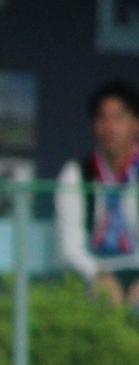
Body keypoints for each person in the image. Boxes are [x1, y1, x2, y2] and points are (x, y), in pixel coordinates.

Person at [58, 82, 139, 307]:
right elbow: (70, 245)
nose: (110, 126)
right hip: (94, 273)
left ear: (136, 124)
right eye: (103, 118)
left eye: (119, 117)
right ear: (94, 125)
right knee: (100, 300)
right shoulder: (76, 173)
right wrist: (96, 273)